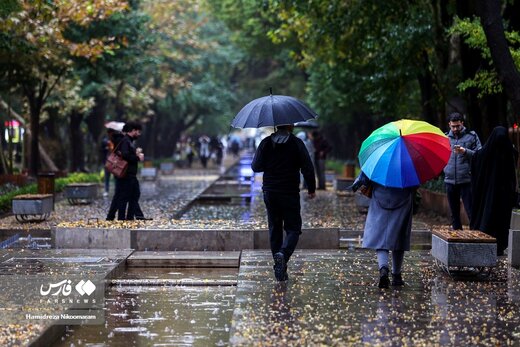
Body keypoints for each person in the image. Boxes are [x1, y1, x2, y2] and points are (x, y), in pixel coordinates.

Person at [251, 124, 316, 281]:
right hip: (289, 192)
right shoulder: (296, 143)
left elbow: (255, 166)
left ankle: (279, 266)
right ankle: (283, 255)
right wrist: (311, 188)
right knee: (293, 229)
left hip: (270, 192)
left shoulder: (266, 143)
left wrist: (270, 161)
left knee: (275, 228)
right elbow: (307, 166)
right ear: (289, 126)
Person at [351, 171, 416, 288]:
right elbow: (416, 183)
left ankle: (383, 268)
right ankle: (396, 275)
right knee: (399, 236)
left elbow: (364, 177)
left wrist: (357, 184)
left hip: (380, 196)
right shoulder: (409, 159)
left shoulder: (380, 156)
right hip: (403, 197)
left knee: (380, 235)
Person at [470, 126, 518, 256]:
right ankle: (499, 246)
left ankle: (486, 242)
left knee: (488, 217)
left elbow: (475, 159)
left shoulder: (486, 152)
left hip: (489, 195)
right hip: (503, 195)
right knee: (501, 220)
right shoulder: (508, 151)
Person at [443, 112, 482, 230]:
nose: (455, 129)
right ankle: (456, 238)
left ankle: (476, 235)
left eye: (458, 126)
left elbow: (480, 155)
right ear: (449, 124)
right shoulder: (444, 138)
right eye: (453, 126)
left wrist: (465, 151)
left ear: (462, 123)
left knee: (471, 211)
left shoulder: (472, 136)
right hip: (449, 179)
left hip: (466, 179)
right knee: (454, 214)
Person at [106, 122, 148, 220]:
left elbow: (126, 153)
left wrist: (135, 153)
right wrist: (137, 157)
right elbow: (125, 155)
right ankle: (122, 218)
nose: (139, 134)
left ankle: (129, 217)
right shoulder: (126, 141)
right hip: (127, 174)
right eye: (138, 132)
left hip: (129, 173)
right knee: (124, 197)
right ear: (133, 130)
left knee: (133, 195)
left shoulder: (128, 140)